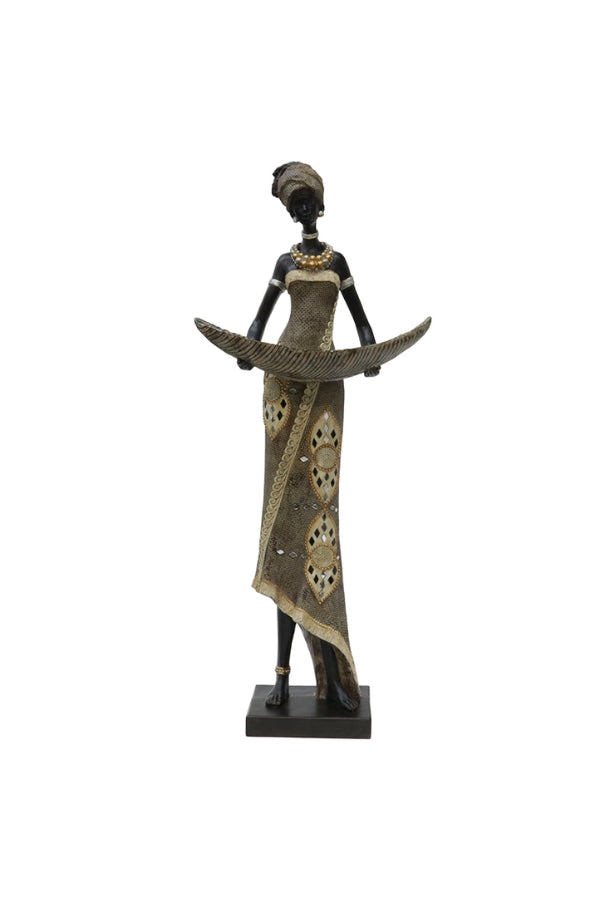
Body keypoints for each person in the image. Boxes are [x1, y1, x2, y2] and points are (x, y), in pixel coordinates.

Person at [238, 162, 381, 711]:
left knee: (319, 520)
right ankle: (281, 672)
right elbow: (260, 320)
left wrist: (369, 353)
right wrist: (250, 350)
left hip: (326, 387)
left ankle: (333, 668)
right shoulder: (285, 263)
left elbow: (361, 319)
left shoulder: (337, 262)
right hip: (283, 381)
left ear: (320, 205)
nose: (301, 211)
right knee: (283, 524)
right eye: (293, 204)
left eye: (307, 202)